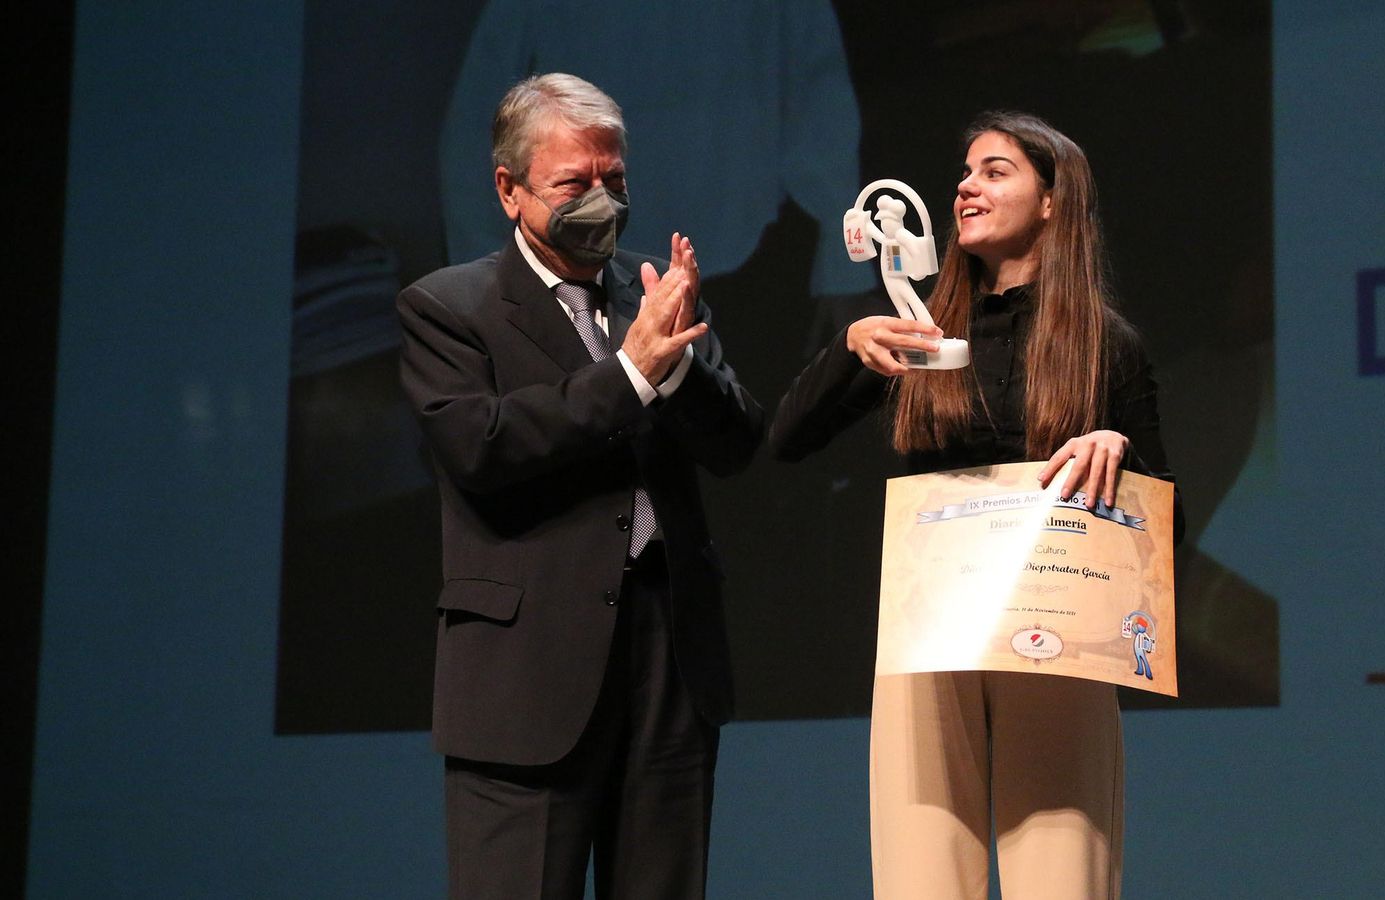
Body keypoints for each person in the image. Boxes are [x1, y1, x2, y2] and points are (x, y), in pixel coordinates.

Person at [769, 111, 1181, 899]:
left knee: (1064, 877)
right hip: (931, 634)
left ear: (1054, 200)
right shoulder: (921, 334)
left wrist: (1117, 458)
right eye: (964, 172)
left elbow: (1169, 539)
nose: (966, 186)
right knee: (920, 876)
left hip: (1060, 632)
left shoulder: (1104, 344)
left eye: (995, 171)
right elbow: (786, 440)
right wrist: (851, 350)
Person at [397, 73, 764, 900]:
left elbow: (738, 441)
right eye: (574, 183)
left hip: (669, 660)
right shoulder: (449, 308)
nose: (602, 201)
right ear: (510, 191)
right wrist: (634, 372)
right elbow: (482, 447)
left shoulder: (652, 293)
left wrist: (674, 374)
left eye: (615, 180)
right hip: (526, 679)